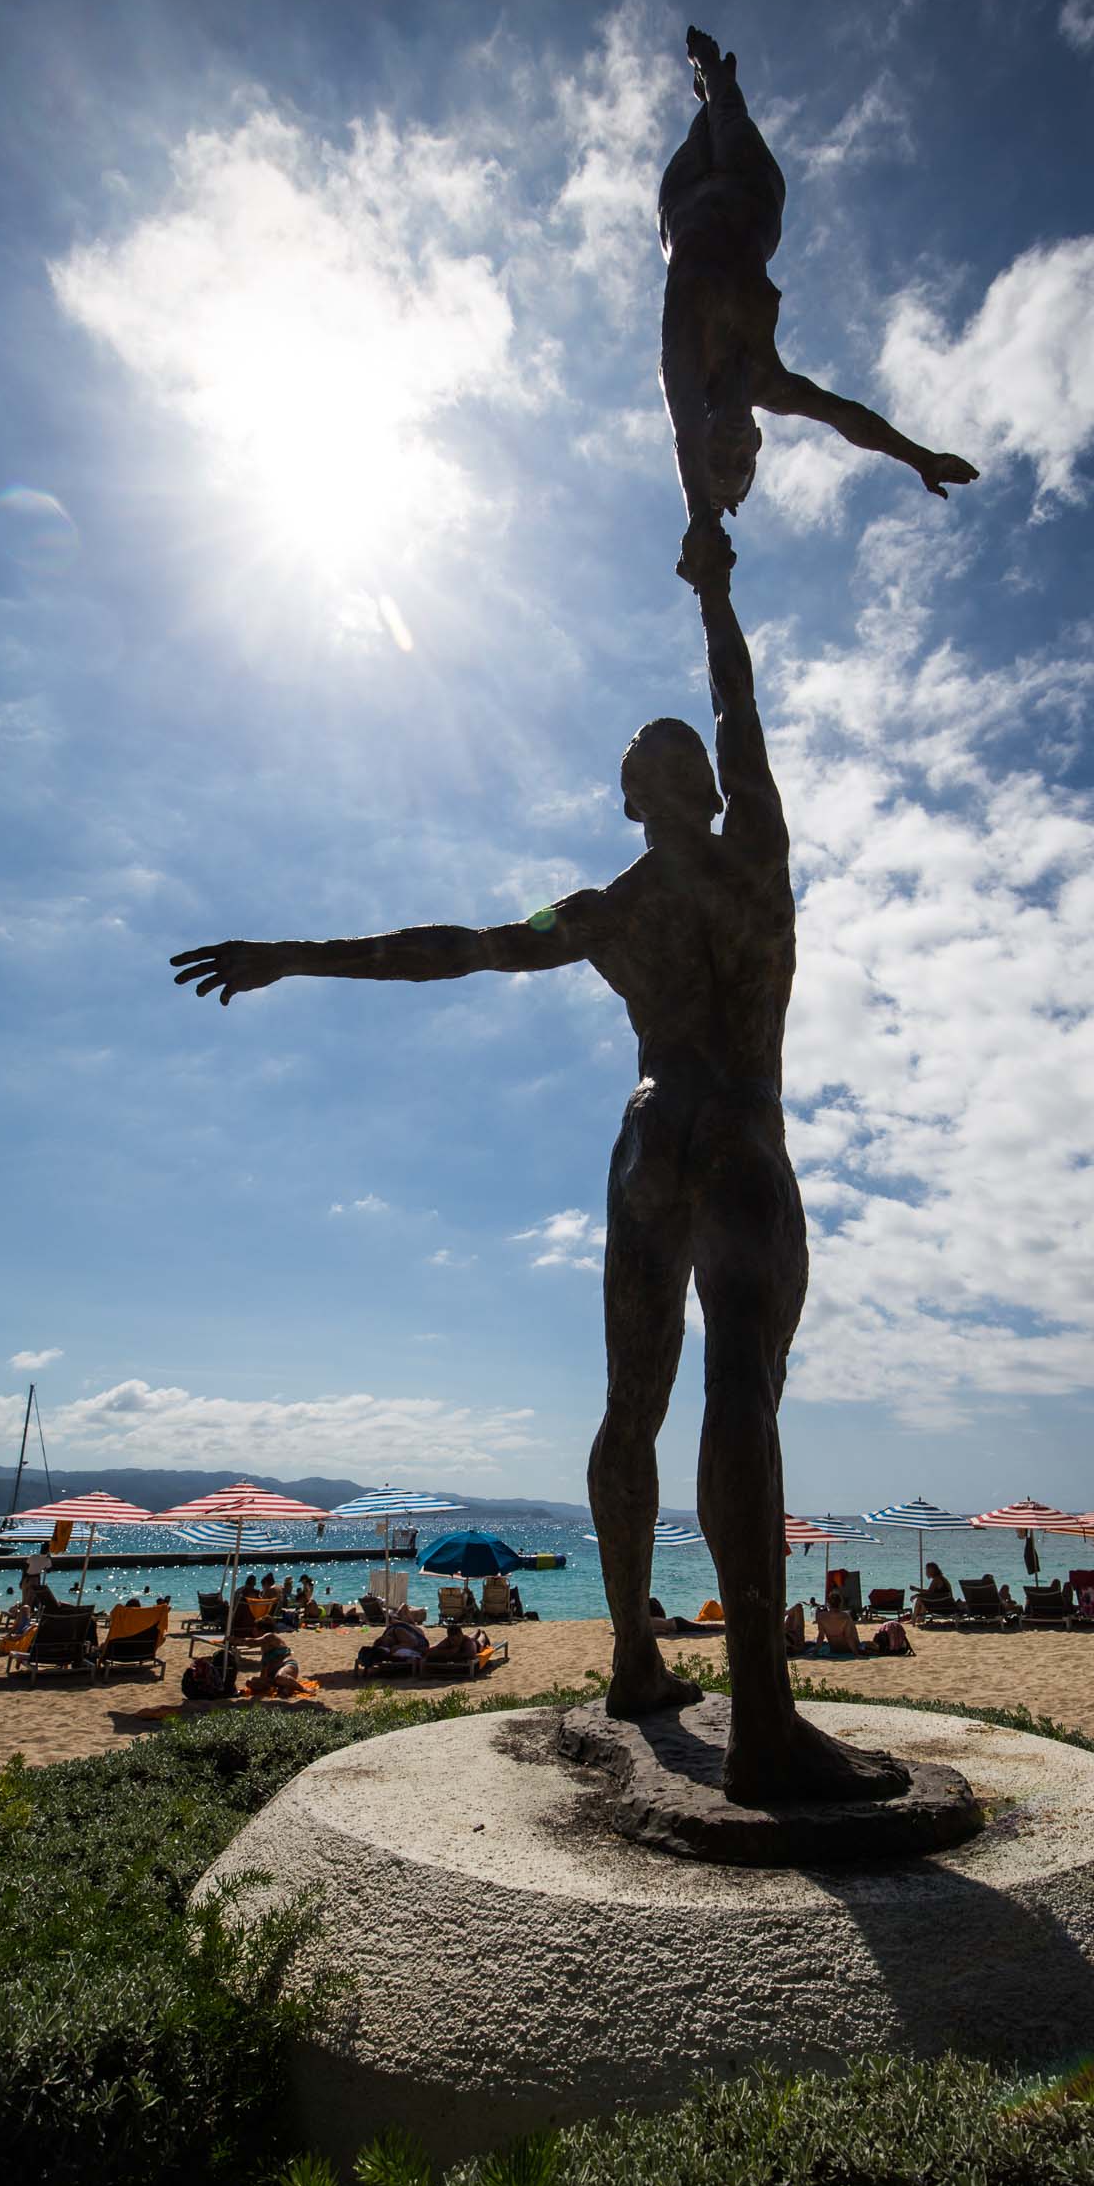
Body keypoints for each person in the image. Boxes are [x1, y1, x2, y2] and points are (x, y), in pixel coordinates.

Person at [172, 523, 905, 1808]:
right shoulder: (758, 859)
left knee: (633, 1405)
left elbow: (462, 945)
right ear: (711, 791)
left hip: (644, 1133)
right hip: (736, 1130)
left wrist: (294, 952)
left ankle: (634, 1660)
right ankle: (765, 1720)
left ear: (632, 803)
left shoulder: (605, 911)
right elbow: (739, 710)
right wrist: (717, 593)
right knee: (742, 1379)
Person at [657, 29, 977, 581]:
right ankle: (716, 80)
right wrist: (920, 458)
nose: (733, 450)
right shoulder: (767, 381)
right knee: (728, 118)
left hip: (681, 205)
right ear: (758, 444)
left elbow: (683, 428)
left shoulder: (685, 367)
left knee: (706, 124)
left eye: (720, 461)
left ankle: (709, 82)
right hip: (753, 194)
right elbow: (845, 417)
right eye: (743, 464)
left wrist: (700, 520)